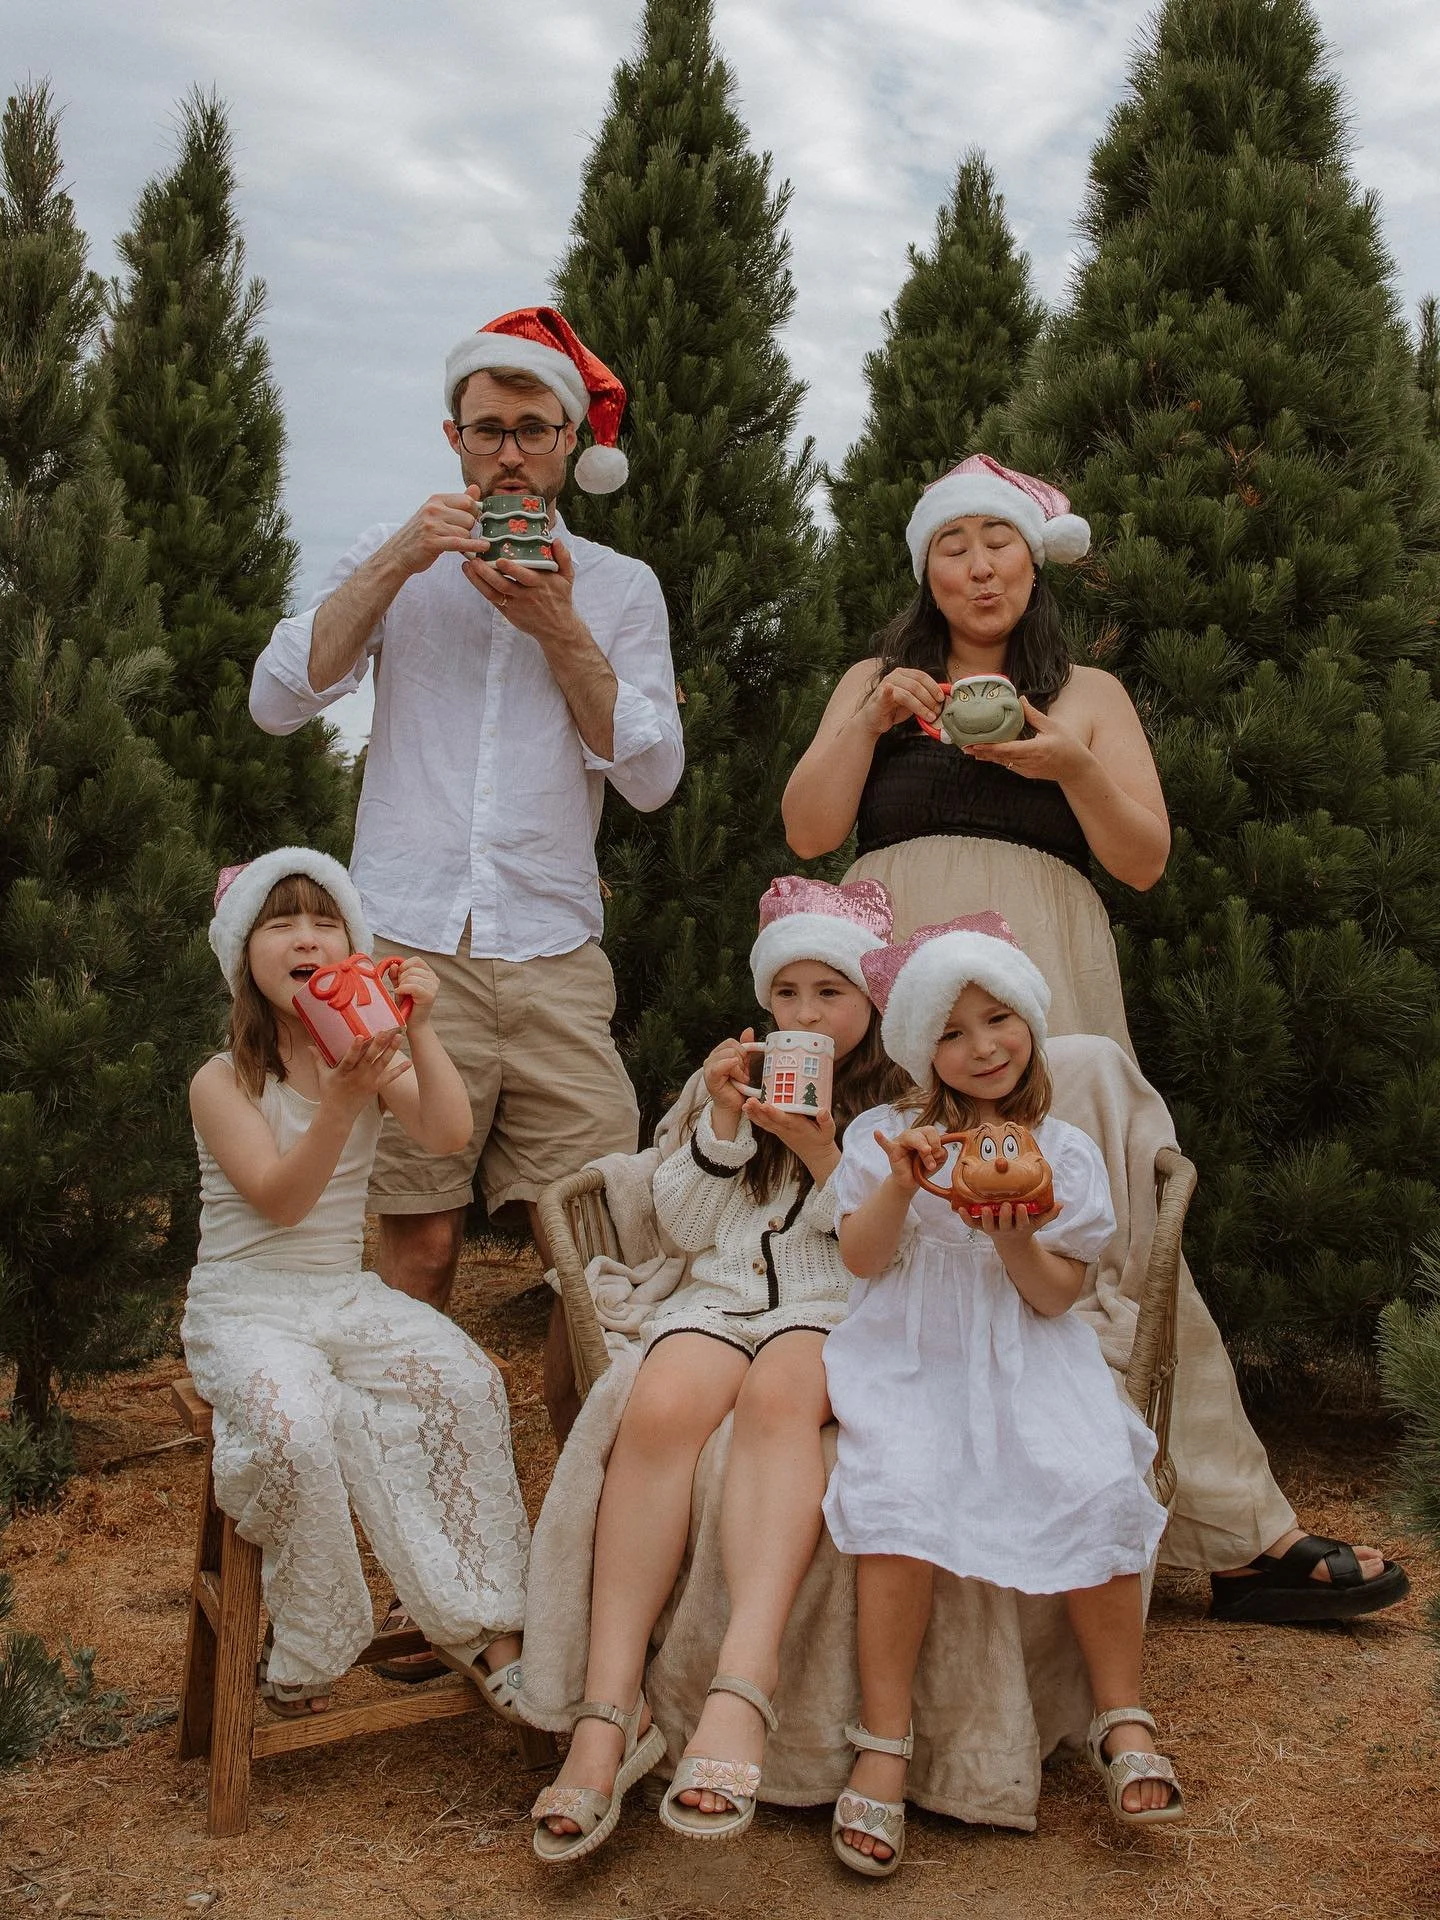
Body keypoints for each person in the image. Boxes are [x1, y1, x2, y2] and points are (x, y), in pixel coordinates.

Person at [782, 453, 1407, 1626]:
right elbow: (811, 826)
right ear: (927, 566)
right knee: (897, 1206)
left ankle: (1228, 1531)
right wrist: (868, 721)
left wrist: (1067, 762)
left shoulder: (1091, 696)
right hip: (900, 972)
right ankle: (893, 1506)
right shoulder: (881, 678)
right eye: (955, 545)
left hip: (1046, 975)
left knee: (1091, 1203)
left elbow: (1144, 859)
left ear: (1033, 561)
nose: (980, 564)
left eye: (999, 542)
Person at [249, 304, 684, 1445]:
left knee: (595, 1252)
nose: (507, 452)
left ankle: (580, 1517)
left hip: (552, 955)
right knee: (419, 1239)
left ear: (570, 445)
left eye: (532, 430)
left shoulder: (621, 587)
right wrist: (401, 556)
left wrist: (558, 623)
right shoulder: (403, 561)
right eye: (486, 429)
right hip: (403, 948)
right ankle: (406, 1494)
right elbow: (278, 697)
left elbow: (650, 778)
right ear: (453, 437)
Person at [528, 878, 904, 1864]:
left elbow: (876, 1247)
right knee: (658, 1405)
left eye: (831, 992)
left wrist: (821, 1149)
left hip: (831, 1307)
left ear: (871, 1003)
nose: (807, 1014)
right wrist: (723, 1129)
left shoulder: (901, 1101)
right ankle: (609, 1710)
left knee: (784, 1392)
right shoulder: (730, 1079)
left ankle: (744, 1687)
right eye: (789, 994)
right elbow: (683, 1231)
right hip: (718, 1298)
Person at [826, 913, 1183, 1877]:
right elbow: (861, 1262)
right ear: (919, 1048)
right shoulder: (882, 1137)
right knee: (894, 1497)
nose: (982, 1047)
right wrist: (901, 1188)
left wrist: (1014, 1230)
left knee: (1097, 1476)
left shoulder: (1058, 1151)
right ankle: (884, 1743)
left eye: (997, 1020)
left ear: (1027, 1019)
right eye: (951, 1030)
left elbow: (1059, 1294)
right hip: (911, 1348)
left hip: (1029, 1347)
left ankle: (1122, 1713)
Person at [181, 847, 530, 1719]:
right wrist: (341, 1103)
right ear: (243, 955)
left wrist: (416, 1027)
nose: (306, 936)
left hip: (340, 1294)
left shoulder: (366, 1049)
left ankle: (489, 1626)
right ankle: (312, 1638)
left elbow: (449, 1134)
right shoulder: (222, 1081)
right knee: (298, 1427)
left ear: (352, 944)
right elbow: (282, 1202)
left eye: (324, 919)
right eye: (281, 921)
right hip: (246, 1302)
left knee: (464, 1379)